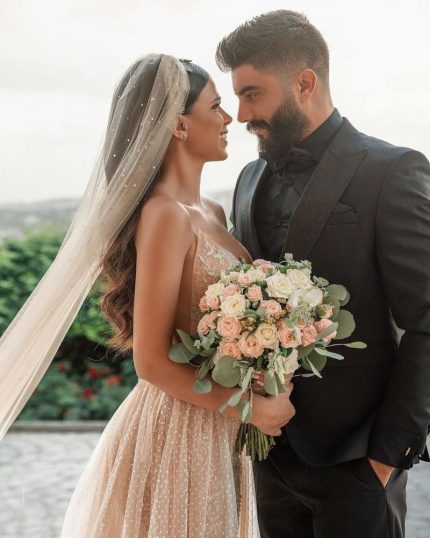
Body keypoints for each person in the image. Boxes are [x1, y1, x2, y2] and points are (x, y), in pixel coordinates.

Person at [0, 53, 296, 537]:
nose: (228, 119)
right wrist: (250, 406)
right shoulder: (165, 215)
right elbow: (152, 361)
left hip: (220, 428)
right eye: (215, 107)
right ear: (179, 125)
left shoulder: (212, 212)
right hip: (180, 430)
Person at [217, 10, 430, 538]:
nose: (241, 114)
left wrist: (386, 457)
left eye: (252, 94)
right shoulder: (248, 178)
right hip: (269, 458)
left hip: (358, 462)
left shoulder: (392, 170)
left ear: (305, 83)